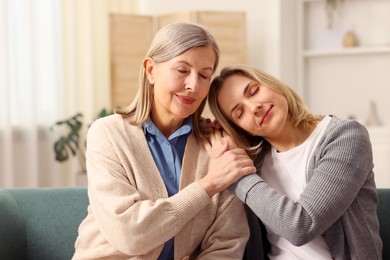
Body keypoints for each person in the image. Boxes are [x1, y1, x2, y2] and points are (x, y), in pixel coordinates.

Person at [72, 23, 256, 259]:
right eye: (182, 70)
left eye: (204, 75)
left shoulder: (217, 145)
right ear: (150, 70)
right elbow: (129, 235)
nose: (193, 86)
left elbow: (227, 244)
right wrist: (209, 184)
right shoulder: (107, 134)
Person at [204, 64, 383, 260]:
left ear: (272, 85)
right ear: (243, 129)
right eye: (239, 113)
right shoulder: (257, 163)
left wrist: (235, 173)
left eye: (254, 91)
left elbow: (301, 226)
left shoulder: (345, 137)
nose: (254, 107)